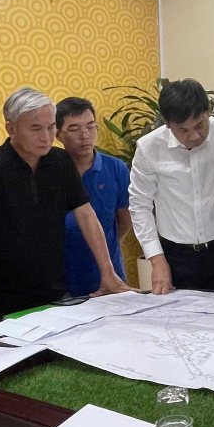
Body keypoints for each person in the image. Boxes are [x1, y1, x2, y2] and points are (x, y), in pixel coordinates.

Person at [0, 88, 129, 327]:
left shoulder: (60, 162)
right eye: (36, 129)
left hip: (54, 294)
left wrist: (107, 272)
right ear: (11, 128)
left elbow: (87, 216)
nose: (46, 137)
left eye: (50, 128)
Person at [129, 79, 214, 293]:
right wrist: (156, 260)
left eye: (200, 125)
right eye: (183, 130)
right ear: (167, 122)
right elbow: (139, 205)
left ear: (208, 111)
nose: (194, 136)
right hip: (175, 256)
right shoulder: (149, 147)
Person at [55, 97, 132, 295]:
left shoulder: (116, 168)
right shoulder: (51, 171)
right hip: (63, 277)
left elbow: (124, 220)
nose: (85, 135)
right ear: (58, 134)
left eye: (91, 126)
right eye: (74, 129)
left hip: (108, 274)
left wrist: (106, 245)